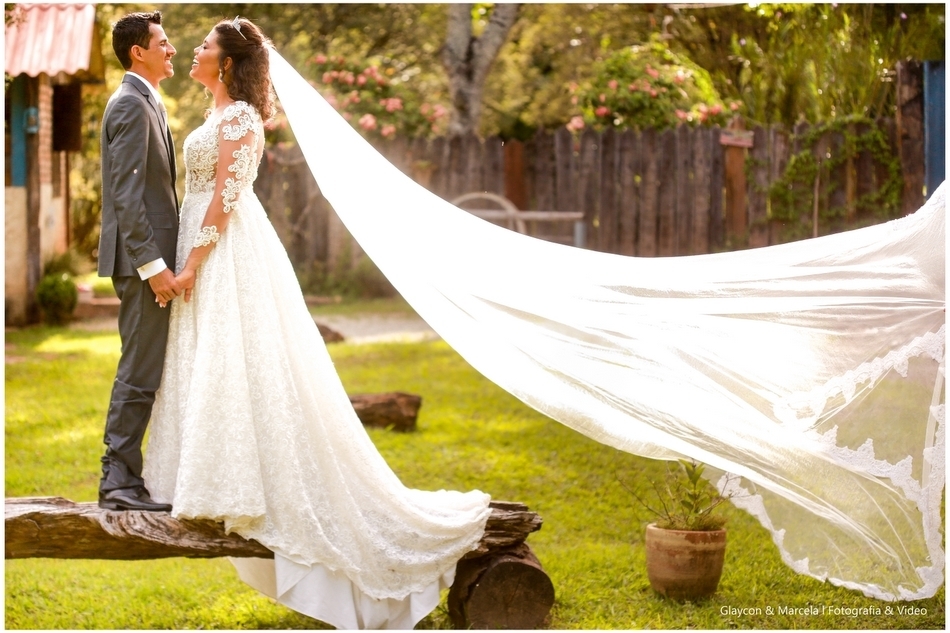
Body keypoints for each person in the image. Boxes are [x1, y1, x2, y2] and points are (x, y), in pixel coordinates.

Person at [141, 17, 492, 629]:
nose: (193, 50)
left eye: (204, 46)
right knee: (218, 367)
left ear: (225, 63)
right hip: (200, 247)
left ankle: (272, 493)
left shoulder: (242, 120)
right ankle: (216, 479)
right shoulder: (213, 115)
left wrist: (193, 262)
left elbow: (226, 196)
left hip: (222, 253)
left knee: (244, 360)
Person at [98, 11, 180, 513]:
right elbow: (126, 197)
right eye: (163, 42)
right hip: (140, 266)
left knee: (144, 366)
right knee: (139, 369)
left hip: (147, 261)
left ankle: (125, 476)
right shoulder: (130, 104)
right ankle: (118, 481)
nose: (171, 50)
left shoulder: (147, 100)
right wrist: (154, 267)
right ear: (139, 52)